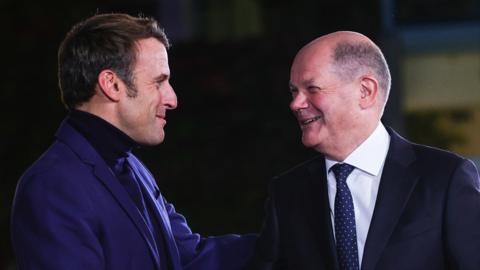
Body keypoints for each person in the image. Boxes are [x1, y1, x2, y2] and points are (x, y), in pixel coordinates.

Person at [11, 13, 255, 270]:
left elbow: (189, 257)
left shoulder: (130, 166)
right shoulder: (53, 186)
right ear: (112, 85)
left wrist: (289, 237)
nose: (172, 99)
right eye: (159, 82)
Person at [249, 31, 480, 270]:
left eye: (312, 88)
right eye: (294, 91)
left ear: (365, 91)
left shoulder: (445, 177)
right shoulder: (287, 193)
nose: (295, 104)